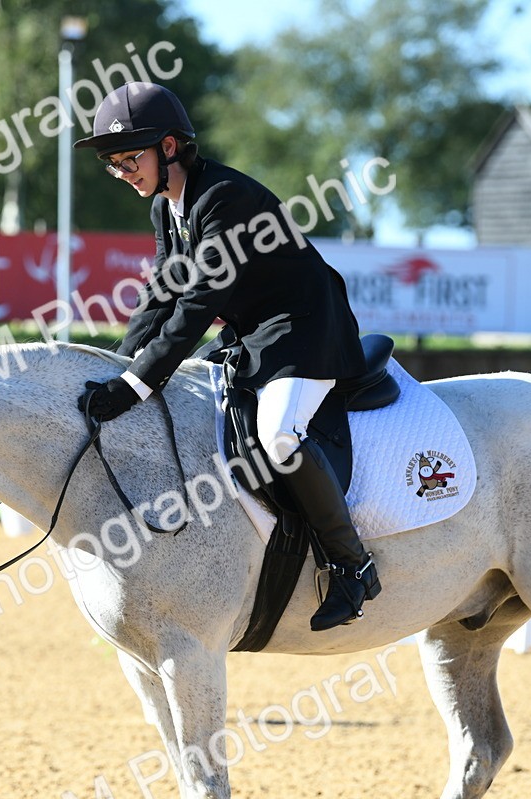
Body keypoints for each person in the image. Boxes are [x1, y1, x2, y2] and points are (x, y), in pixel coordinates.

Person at [73, 82, 380, 631]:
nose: (122, 173)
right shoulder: (167, 209)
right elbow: (161, 294)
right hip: (254, 332)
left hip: (305, 329)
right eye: (113, 164)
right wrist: (117, 366)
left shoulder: (223, 198)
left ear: (169, 147)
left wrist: (134, 387)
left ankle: (352, 564)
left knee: (279, 435)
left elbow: (196, 305)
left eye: (129, 159)